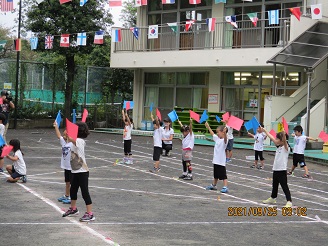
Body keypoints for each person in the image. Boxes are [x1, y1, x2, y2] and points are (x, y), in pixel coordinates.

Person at [62, 122, 95, 222]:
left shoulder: (80, 141)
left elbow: (73, 140)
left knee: (85, 192)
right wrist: (66, 135)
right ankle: (73, 208)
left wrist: (69, 135)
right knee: (73, 190)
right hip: (75, 171)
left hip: (82, 171)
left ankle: (90, 214)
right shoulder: (73, 141)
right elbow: (67, 139)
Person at [262, 128, 292, 208]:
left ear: (282, 140)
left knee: (284, 185)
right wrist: (265, 131)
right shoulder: (278, 147)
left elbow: (285, 142)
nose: (276, 140)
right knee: (274, 185)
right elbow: (272, 138)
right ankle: (273, 197)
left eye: (278, 138)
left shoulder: (287, 148)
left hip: (282, 170)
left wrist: (283, 135)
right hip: (276, 169)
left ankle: (289, 201)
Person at [204, 122, 229, 193]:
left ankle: (225, 186)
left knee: (223, 175)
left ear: (223, 132)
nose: (217, 133)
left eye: (219, 132)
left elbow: (225, 139)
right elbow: (212, 134)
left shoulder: (225, 140)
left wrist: (225, 133)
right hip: (216, 160)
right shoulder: (217, 139)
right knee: (216, 175)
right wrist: (208, 127)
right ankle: (214, 185)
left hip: (221, 162)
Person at [53, 121, 73, 204]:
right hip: (66, 166)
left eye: (66, 131)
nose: (64, 132)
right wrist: (56, 126)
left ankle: (72, 197)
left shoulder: (73, 144)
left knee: (72, 183)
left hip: (72, 167)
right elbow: (58, 136)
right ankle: (67, 195)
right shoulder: (64, 142)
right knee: (67, 182)